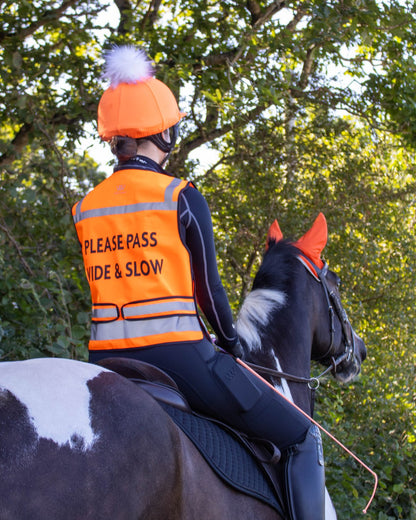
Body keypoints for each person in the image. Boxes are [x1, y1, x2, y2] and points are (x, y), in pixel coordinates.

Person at [72, 45, 325, 520]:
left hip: (105, 359)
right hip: (180, 356)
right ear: (165, 131)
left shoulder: (86, 205)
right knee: (300, 436)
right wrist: (230, 343)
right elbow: (209, 291)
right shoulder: (180, 196)